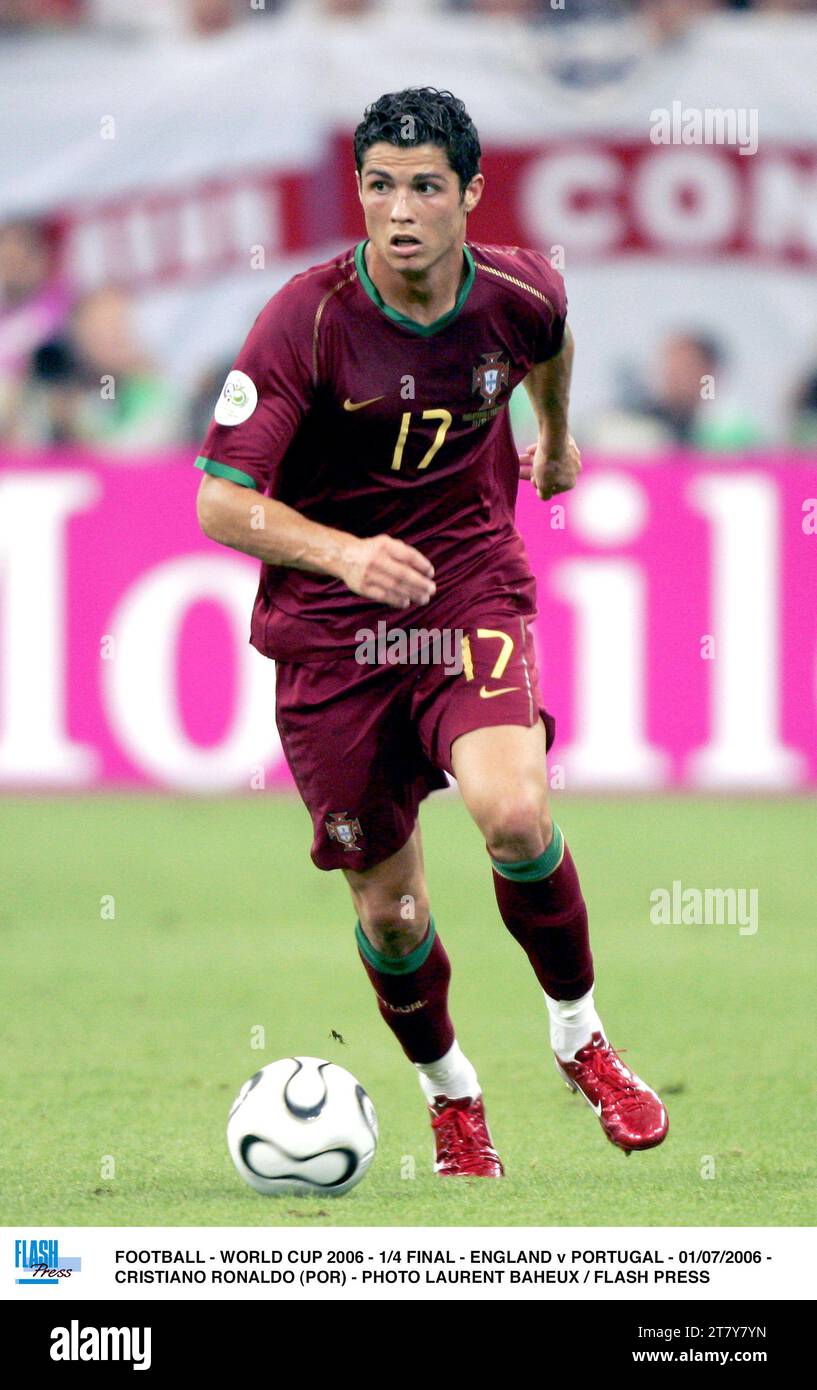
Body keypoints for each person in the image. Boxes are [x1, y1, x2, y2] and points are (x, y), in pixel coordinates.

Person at [195, 87, 668, 1178]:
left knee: (512, 811)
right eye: (377, 185)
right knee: (394, 912)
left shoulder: (517, 291)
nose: (397, 210)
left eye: (422, 186)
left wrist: (551, 438)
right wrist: (345, 553)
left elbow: (550, 341)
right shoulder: (303, 320)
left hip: (464, 588)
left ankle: (581, 1038)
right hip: (332, 635)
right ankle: (452, 1095)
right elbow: (221, 502)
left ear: (469, 194)